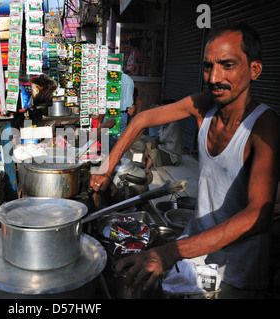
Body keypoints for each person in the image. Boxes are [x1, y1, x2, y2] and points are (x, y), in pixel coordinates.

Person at [89, 22, 280, 298]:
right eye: (207, 66)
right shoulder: (204, 105)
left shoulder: (264, 125)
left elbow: (258, 216)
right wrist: (106, 169)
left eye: (227, 65)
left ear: (254, 70)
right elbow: (142, 119)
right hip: (195, 249)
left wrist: (170, 252)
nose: (214, 77)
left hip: (235, 272)